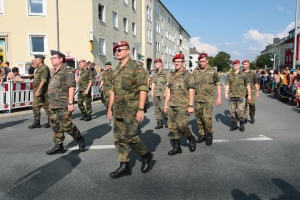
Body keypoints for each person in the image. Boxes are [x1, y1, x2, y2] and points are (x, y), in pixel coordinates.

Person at [107, 41, 153, 178]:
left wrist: (140, 109)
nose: (117, 52)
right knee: (119, 139)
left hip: (131, 109)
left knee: (130, 137)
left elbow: (143, 89)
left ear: (128, 51)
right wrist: (110, 108)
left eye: (120, 49)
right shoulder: (116, 70)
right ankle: (124, 166)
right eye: (116, 50)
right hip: (119, 110)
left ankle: (146, 155)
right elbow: (113, 91)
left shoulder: (136, 68)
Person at [46, 50, 85, 155]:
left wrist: (70, 103)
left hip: (63, 103)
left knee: (66, 125)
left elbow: (71, 86)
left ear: (60, 59)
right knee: (55, 126)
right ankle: (59, 146)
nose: (52, 60)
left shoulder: (67, 71)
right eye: (51, 58)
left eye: (54, 58)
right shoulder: (53, 71)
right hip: (53, 104)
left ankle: (79, 138)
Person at [163, 53, 197, 155]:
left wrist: (191, 105)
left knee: (182, 126)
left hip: (183, 105)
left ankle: (191, 138)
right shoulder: (171, 75)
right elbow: (169, 90)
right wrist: (165, 104)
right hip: (173, 104)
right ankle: (177, 147)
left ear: (183, 63)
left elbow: (191, 91)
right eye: (175, 62)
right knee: (172, 126)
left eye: (179, 62)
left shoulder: (188, 75)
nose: (177, 63)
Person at [193, 53, 221, 146]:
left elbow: (218, 83)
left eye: (203, 61)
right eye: (200, 61)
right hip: (198, 98)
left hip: (208, 98)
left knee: (207, 118)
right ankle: (202, 134)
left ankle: (209, 134)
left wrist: (219, 97)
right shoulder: (195, 71)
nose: (201, 63)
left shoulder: (213, 71)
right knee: (198, 118)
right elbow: (192, 85)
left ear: (207, 61)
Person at [225, 60, 251, 132]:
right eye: (234, 65)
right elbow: (227, 84)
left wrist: (249, 95)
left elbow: (247, 85)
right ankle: (234, 125)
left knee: (240, 110)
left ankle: (242, 124)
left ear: (239, 65)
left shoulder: (244, 74)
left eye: (236, 65)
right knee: (232, 111)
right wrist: (226, 93)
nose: (235, 66)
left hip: (241, 95)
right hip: (232, 95)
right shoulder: (230, 75)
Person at [28, 54, 51, 129]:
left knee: (46, 106)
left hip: (44, 91)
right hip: (37, 91)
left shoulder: (45, 68)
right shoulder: (38, 68)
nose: (35, 60)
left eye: (36, 59)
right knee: (35, 106)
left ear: (40, 60)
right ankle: (37, 121)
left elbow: (43, 80)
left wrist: (38, 90)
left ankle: (50, 121)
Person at [151, 58, 169, 129]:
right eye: (155, 63)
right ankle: (159, 122)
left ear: (161, 63)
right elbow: (153, 82)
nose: (156, 65)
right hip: (156, 93)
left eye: (157, 63)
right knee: (156, 108)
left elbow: (168, 83)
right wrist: (152, 91)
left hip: (162, 93)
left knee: (163, 108)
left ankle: (167, 120)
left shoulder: (165, 72)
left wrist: (166, 92)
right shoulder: (155, 73)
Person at [242, 60, 259, 124]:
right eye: (243, 64)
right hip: (243, 91)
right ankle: (245, 117)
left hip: (251, 91)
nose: (244, 65)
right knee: (244, 105)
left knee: (252, 104)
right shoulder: (241, 73)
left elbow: (255, 83)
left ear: (248, 65)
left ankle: (252, 116)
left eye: (245, 64)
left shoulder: (252, 73)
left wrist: (257, 92)